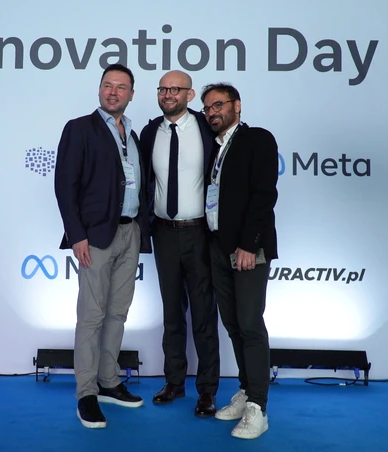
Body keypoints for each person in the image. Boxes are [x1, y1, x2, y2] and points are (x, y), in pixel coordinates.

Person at [54, 63, 152, 429]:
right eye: (107, 85)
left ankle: (109, 381)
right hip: (94, 237)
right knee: (91, 317)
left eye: (121, 87)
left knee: (117, 314)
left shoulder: (133, 134)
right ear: (99, 90)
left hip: (130, 233)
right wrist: (76, 234)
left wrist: (140, 229)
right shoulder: (80, 128)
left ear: (131, 94)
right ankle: (86, 393)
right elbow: (65, 185)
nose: (113, 92)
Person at [199, 82, 279, 440]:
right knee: (232, 323)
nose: (212, 112)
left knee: (249, 323)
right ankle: (246, 390)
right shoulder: (215, 148)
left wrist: (249, 244)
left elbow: (264, 196)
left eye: (218, 105)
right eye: (207, 108)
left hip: (247, 249)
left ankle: (258, 407)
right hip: (218, 246)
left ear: (237, 105)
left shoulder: (257, 139)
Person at [139, 70, 220, 418]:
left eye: (175, 89)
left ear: (190, 95)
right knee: (172, 313)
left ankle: (207, 390)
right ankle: (174, 382)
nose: (168, 94)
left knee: (204, 315)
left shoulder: (208, 129)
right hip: (164, 233)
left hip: (200, 233)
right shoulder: (149, 133)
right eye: (163, 89)